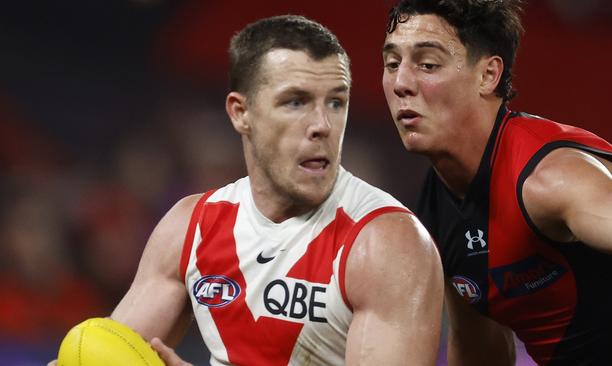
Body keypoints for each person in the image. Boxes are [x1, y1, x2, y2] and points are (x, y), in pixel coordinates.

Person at [50, 15, 444, 366]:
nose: (322, 124)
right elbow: (112, 352)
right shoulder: (192, 227)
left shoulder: (387, 243)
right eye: (296, 102)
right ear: (241, 113)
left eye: (336, 102)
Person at [381, 1, 612, 365]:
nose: (401, 83)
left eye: (427, 64)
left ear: (488, 75)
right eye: (392, 64)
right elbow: (481, 347)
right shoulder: (435, 206)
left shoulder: (549, 177)